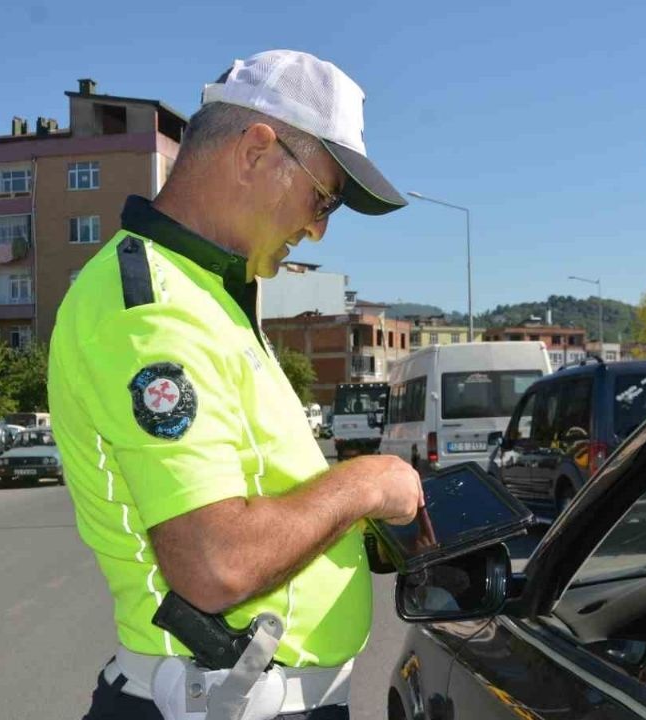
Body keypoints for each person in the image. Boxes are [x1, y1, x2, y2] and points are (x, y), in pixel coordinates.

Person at [48, 50, 422, 720]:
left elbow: (260, 490)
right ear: (256, 151)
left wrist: (355, 526)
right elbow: (214, 562)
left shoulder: (206, 295)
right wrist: (364, 484)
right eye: (323, 196)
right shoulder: (153, 312)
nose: (317, 228)